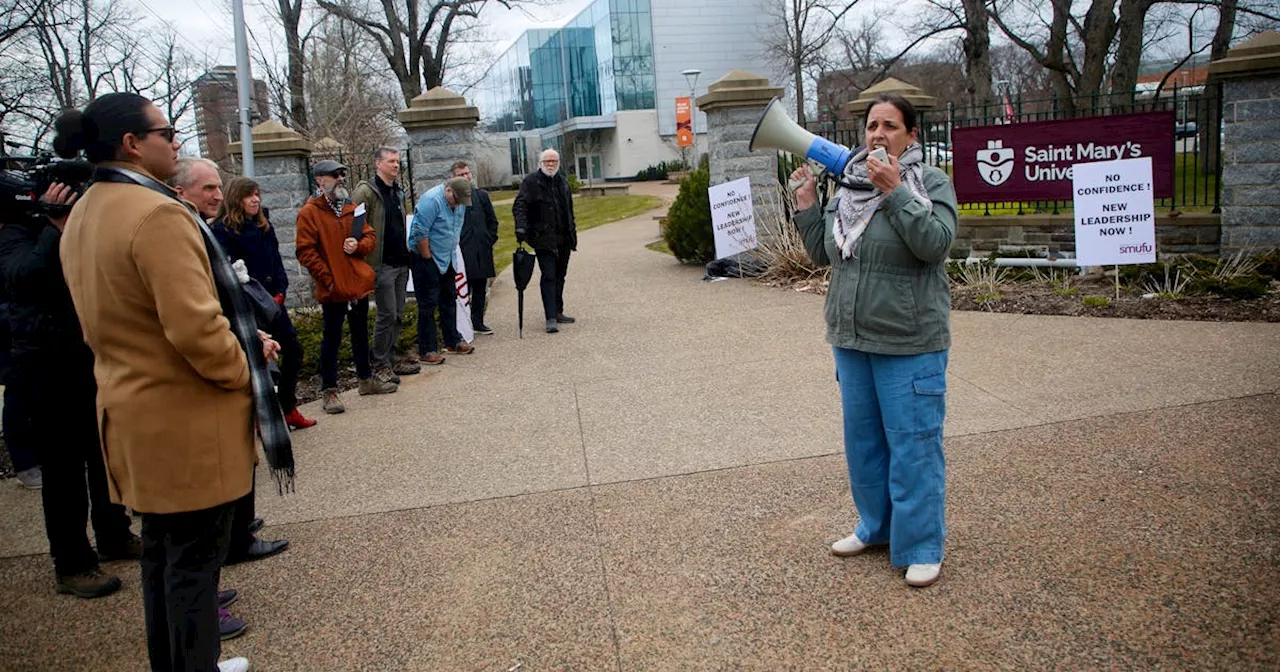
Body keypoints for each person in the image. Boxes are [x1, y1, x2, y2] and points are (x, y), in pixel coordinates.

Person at [57, 92, 290, 672]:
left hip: (132, 413)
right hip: (183, 422)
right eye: (167, 133)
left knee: (163, 558)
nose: (176, 141)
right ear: (132, 144)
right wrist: (246, 371)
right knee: (191, 566)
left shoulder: (87, 209)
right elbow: (196, 328)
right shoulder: (157, 213)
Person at [790, 93, 957, 588]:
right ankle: (876, 527)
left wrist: (897, 193)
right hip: (853, 339)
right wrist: (806, 207)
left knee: (913, 447)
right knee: (863, 444)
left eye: (889, 126)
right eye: (871, 126)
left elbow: (936, 244)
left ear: (911, 136)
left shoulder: (929, 182)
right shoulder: (849, 186)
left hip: (909, 342)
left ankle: (922, 545)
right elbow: (827, 254)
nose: (878, 134)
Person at [0, 181, 140, 599]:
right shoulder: (14, 236)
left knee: (105, 456)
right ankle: (73, 563)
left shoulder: (69, 228)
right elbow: (25, 277)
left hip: (88, 359)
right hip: (45, 368)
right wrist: (54, 227)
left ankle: (115, 534)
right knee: (63, 472)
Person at [172, 161, 291, 578]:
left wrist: (256, 332)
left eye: (220, 188)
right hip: (224, 360)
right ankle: (235, 537)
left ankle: (240, 530)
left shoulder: (201, 227)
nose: (217, 196)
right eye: (208, 188)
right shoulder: (188, 231)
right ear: (182, 190)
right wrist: (240, 355)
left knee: (245, 453)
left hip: (244, 335)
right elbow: (198, 311)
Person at [296, 159, 397, 414]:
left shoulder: (350, 207)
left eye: (342, 174)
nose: (341, 178)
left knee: (360, 332)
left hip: (356, 284)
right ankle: (329, 390)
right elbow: (305, 251)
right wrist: (328, 279)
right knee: (332, 338)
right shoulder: (310, 213)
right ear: (320, 180)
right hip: (333, 289)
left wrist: (358, 245)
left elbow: (369, 236)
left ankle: (365, 380)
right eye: (334, 175)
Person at [351, 147, 421, 384]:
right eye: (391, 161)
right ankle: (379, 363)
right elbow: (354, 226)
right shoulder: (366, 192)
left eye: (397, 162)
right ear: (378, 163)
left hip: (401, 262)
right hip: (380, 264)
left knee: (398, 313)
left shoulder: (397, 192)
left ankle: (391, 357)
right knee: (386, 314)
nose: (396, 165)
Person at [408, 176, 475, 363]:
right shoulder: (431, 201)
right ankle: (427, 349)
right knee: (428, 304)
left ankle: (452, 340)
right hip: (426, 257)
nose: (459, 204)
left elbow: (455, 227)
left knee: (449, 299)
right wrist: (427, 258)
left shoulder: (460, 202)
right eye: (456, 200)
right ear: (448, 191)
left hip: (448, 257)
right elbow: (420, 232)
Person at [512, 149, 577, 334]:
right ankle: (550, 317)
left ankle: (558, 311)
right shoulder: (531, 182)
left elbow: (569, 212)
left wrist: (573, 233)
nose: (551, 164)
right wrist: (521, 227)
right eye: (547, 161)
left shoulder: (563, 182)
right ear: (541, 162)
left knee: (560, 275)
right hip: (543, 239)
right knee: (548, 276)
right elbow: (520, 206)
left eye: (554, 161)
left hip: (563, 238)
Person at [451, 161, 499, 335]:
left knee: (480, 287)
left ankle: (478, 322)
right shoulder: (451, 198)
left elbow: (492, 220)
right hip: (462, 251)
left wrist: (488, 239)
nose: (465, 177)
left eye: (467, 174)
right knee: (462, 289)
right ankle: (461, 325)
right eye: (461, 174)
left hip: (481, 248)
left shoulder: (482, 196)